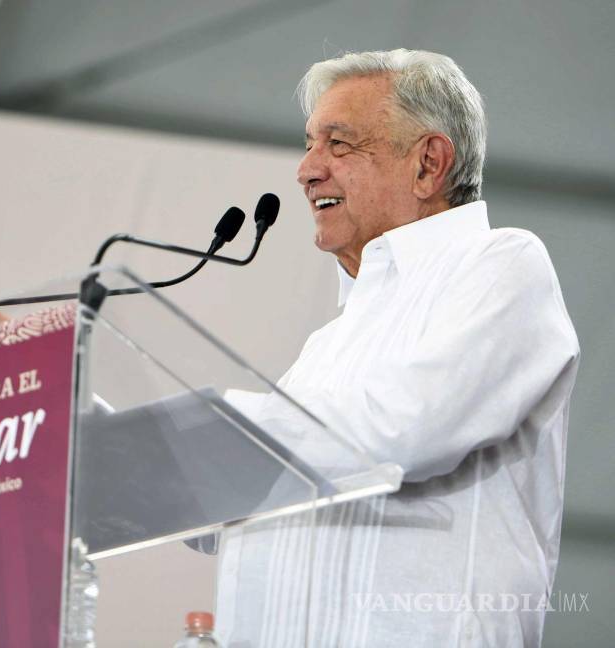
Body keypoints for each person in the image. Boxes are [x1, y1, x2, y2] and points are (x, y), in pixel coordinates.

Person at [213, 50, 579, 647]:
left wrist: (211, 430)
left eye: (338, 144)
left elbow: (402, 429)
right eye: (309, 145)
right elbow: (232, 503)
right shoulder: (328, 343)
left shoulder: (503, 265)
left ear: (428, 164)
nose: (306, 170)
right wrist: (96, 434)